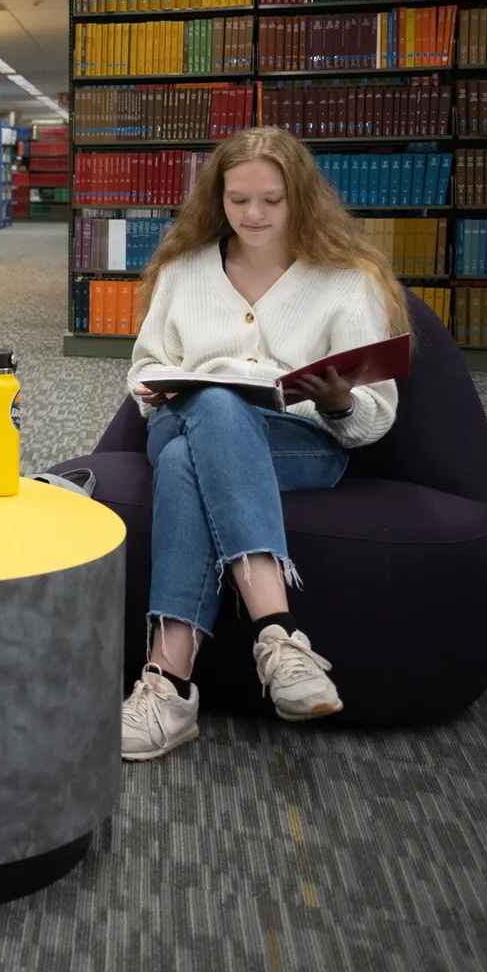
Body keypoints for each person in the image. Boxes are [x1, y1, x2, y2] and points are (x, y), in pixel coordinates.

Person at [119, 126, 407, 762]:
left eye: (271, 200)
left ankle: (167, 686)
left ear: (300, 196)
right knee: (214, 403)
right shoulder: (183, 270)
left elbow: (374, 417)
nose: (253, 214)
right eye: (238, 199)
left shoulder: (347, 281)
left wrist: (338, 401)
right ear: (216, 198)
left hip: (299, 441)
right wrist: (156, 387)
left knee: (184, 460)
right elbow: (145, 365)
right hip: (182, 417)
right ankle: (278, 637)